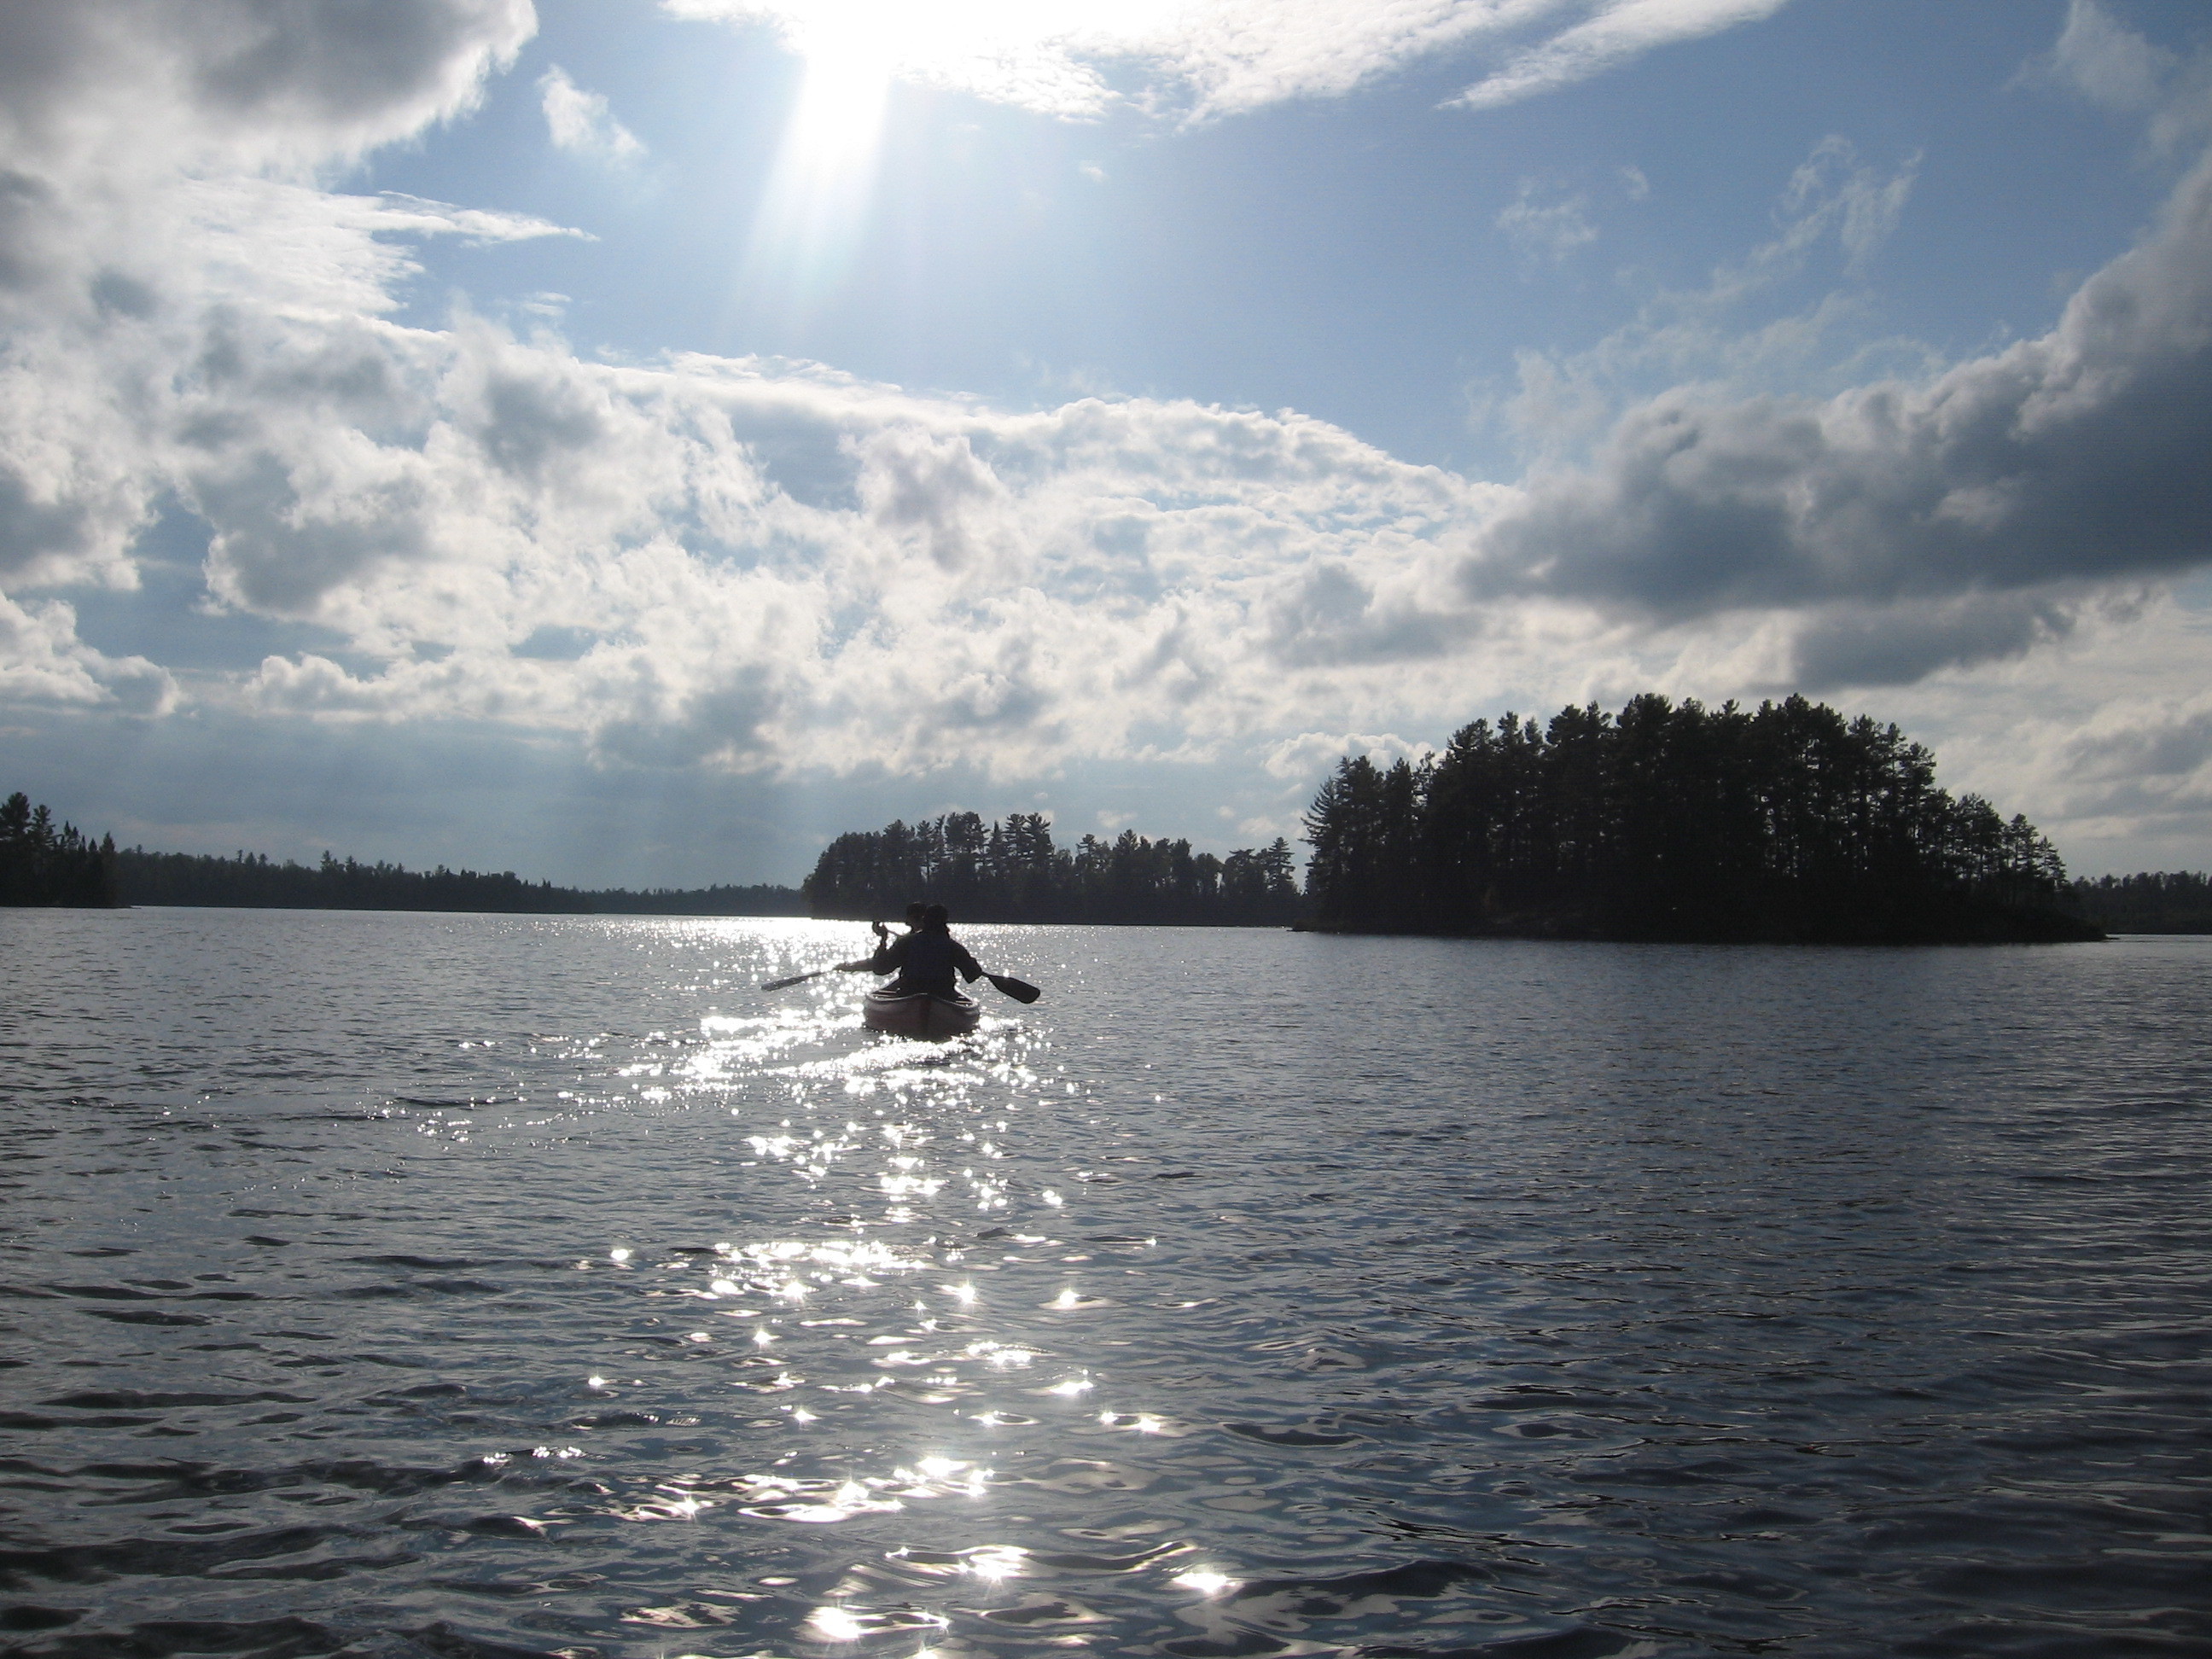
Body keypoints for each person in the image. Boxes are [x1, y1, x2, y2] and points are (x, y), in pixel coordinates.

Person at [879, 904, 983, 998]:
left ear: (924, 921)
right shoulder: (953, 947)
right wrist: (975, 967)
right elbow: (972, 974)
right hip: (943, 994)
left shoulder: (906, 943)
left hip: (909, 992)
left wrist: (883, 941)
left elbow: (881, 968)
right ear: (944, 923)